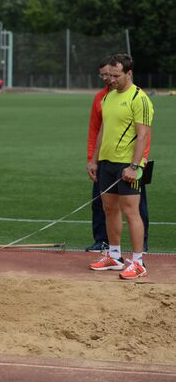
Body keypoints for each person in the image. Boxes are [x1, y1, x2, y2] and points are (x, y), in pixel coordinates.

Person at [87, 53, 153, 280]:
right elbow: (103, 131)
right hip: (107, 163)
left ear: (129, 73)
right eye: (108, 75)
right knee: (109, 209)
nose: (111, 79)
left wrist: (135, 166)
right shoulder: (108, 98)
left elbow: (143, 136)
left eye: (116, 75)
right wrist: (95, 160)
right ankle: (114, 256)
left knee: (131, 212)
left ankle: (138, 261)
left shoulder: (139, 99)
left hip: (129, 164)